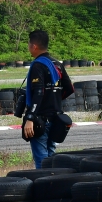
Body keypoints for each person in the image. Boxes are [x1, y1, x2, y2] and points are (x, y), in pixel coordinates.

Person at [23, 30, 74, 168]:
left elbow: (38, 92)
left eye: (28, 43)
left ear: (34, 46)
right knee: (51, 159)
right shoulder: (57, 64)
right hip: (56, 119)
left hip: (40, 120)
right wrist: (54, 99)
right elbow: (69, 88)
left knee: (42, 162)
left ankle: (45, 188)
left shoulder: (38, 65)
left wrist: (30, 118)